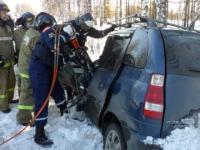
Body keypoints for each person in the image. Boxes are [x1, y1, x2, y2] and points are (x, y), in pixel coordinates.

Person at [29, 12, 68, 147]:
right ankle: (39, 134)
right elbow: (55, 44)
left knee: (57, 88)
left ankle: (64, 109)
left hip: (47, 68)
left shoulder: (48, 33)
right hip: (39, 71)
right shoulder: (48, 31)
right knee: (42, 99)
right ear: (48, 21)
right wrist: (66, 34)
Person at [16, 12, 39, 126]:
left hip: (24, 64)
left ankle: (27, 111)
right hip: (27, 66)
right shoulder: (33, 34)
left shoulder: (30, 32)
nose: (31, 24)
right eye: (29, 22)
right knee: (27, 92)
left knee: (25, 90)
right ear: (24, 22)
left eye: (32, 21)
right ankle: (23, 118)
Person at [0, 2, 16, 113]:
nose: (6, 14)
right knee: (2, 84)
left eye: (6, 12)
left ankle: (9, 100)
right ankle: (3, 105)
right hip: (1, 62)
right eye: (3, 12)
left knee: (11, 82)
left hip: (9, 60)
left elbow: (11, 41)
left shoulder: (7, 26)